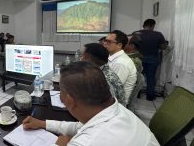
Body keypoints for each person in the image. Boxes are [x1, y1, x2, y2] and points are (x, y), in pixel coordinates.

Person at [22, 62, 159, 146]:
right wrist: (43, 123)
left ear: (69, 100)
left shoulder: (88, 141)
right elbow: (80, 126)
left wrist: (59, 144)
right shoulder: (116, 110)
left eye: (61, 92)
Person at [133, 19, 167, 101]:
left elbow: (131, 46)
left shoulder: (136, 34)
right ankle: (150, 96)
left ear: (143, 25)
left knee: (137, 77)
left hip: (138, 59)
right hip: (153, 60)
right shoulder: (158, 34)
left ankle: (137, 94)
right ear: (153, 26)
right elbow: (163, 47)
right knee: (151, 78)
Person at [103, 30, 137, 104]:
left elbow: (113, 89)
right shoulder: (112, 57)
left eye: (109, 42)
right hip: (109, 97)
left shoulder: (121, 63)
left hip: (115, 103)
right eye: (105, 40)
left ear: (119, 45)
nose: (104, 43)